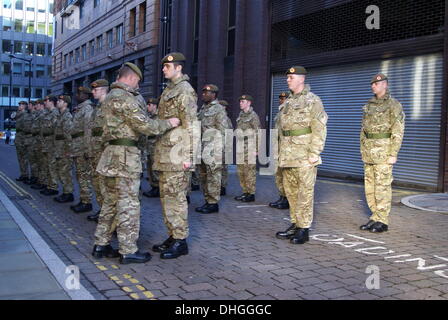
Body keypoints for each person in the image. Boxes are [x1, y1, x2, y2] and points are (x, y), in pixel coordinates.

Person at [93, 62, 180, 264]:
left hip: (110, 156)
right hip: (125, 158)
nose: (138, 87)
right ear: (131, 78)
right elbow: (146, 125)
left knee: (110, 204)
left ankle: (101, 244)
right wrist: (169, 123)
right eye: (138, 82)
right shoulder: (124, 98)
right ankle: (128, 250)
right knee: (129, 205)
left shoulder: (108, 99)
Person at [151, 52, 198, 259]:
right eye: (163, 66)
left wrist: (189, 155)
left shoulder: (185, 91)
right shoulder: (170, 90)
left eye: (167, 67)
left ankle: (180, 240)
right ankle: (172, 235)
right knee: (166, 198)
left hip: (178, 154)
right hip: (166, 153)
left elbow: (192, 126)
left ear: (178, 68)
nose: (163, 69)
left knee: (176, 198)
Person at [275, 66, 327, 244]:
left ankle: (303, 229)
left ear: (302, 79)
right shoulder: (287, 103)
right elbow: (282, 130)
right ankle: (295, 223)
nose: (288, 80)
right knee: (291, 192)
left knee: (305, 193)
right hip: (288, 155)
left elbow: (319, 128)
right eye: (287, 77)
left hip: (305, 155)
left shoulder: (313, 101)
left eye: (291, 77)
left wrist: (314, 152)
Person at [359, 74, 405, 233]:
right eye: (372, 84)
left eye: (377, 83)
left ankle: (383, 220)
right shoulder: (368, 105)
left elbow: (398, 131)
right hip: (369, 152)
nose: (373, 86)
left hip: (384, 152)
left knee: (382, 186)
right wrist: (363, 149)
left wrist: (394, 153)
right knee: (370, 186)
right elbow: (363, 130)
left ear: (385, 84)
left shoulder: (394, 105)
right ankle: (375, 216)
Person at [195, 85, 230, 214]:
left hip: (213, 148)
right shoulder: (203, 109)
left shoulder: (219, 109)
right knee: (203, 176)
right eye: (203, 91)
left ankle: (213, 203)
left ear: (214, 94)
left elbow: (223, 130)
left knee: (213, 176)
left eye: (206, 92)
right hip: (202, 148)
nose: (203, 94)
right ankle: (207, 200)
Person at [85, 79, 110, 222]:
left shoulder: (109, 106)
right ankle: (102, 209)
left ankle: (108, 215)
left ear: (102, 90)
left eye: (95, 90)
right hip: (95, 151)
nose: (93, 92)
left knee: (105, 184)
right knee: (97, 183)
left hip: (104, 151)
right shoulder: (97, 107)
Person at [70, 87, 94, 213]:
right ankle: (83, 199)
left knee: (84, 175)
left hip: (82, 147)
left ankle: (87, 202)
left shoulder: (87, 109)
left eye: (78, 94)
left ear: (85, 95)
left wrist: (87, 149)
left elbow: (88, 130)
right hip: (76, 147)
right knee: (79, 175)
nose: (76, 95)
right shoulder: (80, 109)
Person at [234, 95, 261, 203]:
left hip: (250, 147)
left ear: (249, 103)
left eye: (243, 101)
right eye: (240, 101)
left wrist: (257, 149)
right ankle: (245, 191)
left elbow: (258, 132)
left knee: (249, 171)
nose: (240, 103)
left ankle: (251, 193)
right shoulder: (241, 115)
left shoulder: (253, 116)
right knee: (241, 171)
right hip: (241, 146)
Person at [269, 92, 290, 209]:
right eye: (280, 98)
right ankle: (282, 197)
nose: (281, 100)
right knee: (279, 175)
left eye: (284, 98)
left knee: (286, 176)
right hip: (277, 148)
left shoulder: (289, 113)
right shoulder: (279, 113)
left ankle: (287, 199)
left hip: (285, 149)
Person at [53, 95, 75, 204]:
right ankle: (66, 192)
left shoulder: (67, 116)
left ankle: (68, 193)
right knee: (61, 171)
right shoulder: (60, 116)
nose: (57, 102)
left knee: (65, 172)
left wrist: (69, 150)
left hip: (64, 149)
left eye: (60, 101)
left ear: (65, 103)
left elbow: (69, 135)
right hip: (59, 148)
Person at [39, 95, 60, 196]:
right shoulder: (48, 113)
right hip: (46, 142)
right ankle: (49, 185)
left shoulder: (55, 113)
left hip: (52, 143)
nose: (45, 103)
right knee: (47, 165)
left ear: (51, 102)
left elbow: (56, 130)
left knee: (52, 166)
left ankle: (53, 187)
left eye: (46, 101)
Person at [142, 97, 161, 198]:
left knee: (155, 168)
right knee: (150, 168)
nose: (147, 107)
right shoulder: (149, 117)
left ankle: (158, 187)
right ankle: (153, 186)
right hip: (149, 146)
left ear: (154, 105)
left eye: (149, 105)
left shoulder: (159, 116)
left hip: (156, 147)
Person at [218, 100, 233, 196]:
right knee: (220, 168)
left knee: (223, 168)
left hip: (224, 147)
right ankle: (220, 186)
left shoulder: (226, 119)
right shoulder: (222, 118)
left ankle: (222, 187)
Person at [15, 101, 29, 182]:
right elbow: (14, 116)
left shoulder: (25, 115)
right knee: (20, 158)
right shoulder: (19, 115)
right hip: (19, 138)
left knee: (24, 158)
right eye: (19, 105)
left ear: (25, 106)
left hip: (23, 138)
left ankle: (25, 175)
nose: (19, 106)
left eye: (21, 105)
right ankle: (23, 174)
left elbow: (25, 128)